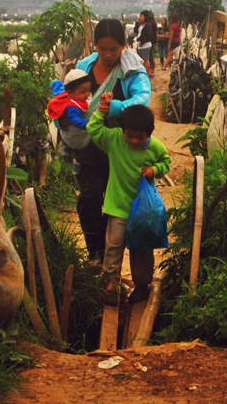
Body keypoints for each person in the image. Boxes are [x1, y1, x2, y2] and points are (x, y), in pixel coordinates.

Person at [69, 19, 151, 264]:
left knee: (116, 204)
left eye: (113, 49)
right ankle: (96, 253)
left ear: (124, 45)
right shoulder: (84, 66)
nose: (107, 54)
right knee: (89, 198)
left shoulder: (132, 69)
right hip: (89, 145)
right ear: (94, 45)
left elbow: (142, 98)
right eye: (101, 48)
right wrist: (60, 118)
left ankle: (111, 260)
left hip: (121, 147)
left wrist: (116, 107)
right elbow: (67, 96)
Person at [86, 98, 171, 305]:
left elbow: (166, 161)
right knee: (113, 247)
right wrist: (103, 110)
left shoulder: (154, 147)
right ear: (122, 130)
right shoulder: (114, 139)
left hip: (143, 212)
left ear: (149, 134)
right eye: (130, 135)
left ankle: (142, 286)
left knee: (141, 249)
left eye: (139, 137)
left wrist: (155, 170)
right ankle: (111, 283)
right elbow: (93, 128)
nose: (133, 141)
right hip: (118, 208)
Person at [47, 69, 93, 162]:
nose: (87, 94)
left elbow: (57, 87)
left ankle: (66, 147)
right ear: (70, 93)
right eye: (83, 92)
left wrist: (55, 83)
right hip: (72, 136)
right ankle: (78, 160)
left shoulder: (66, 93)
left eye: (89, 90)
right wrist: (87, 123)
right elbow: (75, 120)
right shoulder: (73, 107)